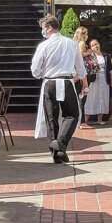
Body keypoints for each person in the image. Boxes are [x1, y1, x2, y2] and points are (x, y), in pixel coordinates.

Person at [32, 15, 87, 164]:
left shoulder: (43, 46)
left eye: (43, 28)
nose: (42, 31)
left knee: (52, 118)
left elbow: (35, 71)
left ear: (49, 27)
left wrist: (43, 73)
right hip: (66, 81)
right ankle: (60, 146)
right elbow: (80, 68)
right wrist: (81, 78)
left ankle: (58, 149)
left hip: (50, 82)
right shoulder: (71, 43)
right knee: (72, 115)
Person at [84, 40, 112, 125]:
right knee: (91, 99)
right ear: (91, 47)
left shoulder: (106, 55)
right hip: (93, 81)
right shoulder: (89, 56)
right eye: (93, 45)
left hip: (104, 80)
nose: (95, 46)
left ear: (99, 44)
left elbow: (111, 69)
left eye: (96, 44)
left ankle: (100, 119)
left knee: (103, 98)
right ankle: (85, 120)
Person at [73, 26, 93, 127]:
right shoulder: (81, 44)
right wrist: (88, 53)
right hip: (83, 74)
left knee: (80, 96)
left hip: (78, 73)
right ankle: (81, 121)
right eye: (86, 34)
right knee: (82, 96)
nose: (87, 36)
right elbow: (80, 56)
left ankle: (80, 120)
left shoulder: (74, 43)